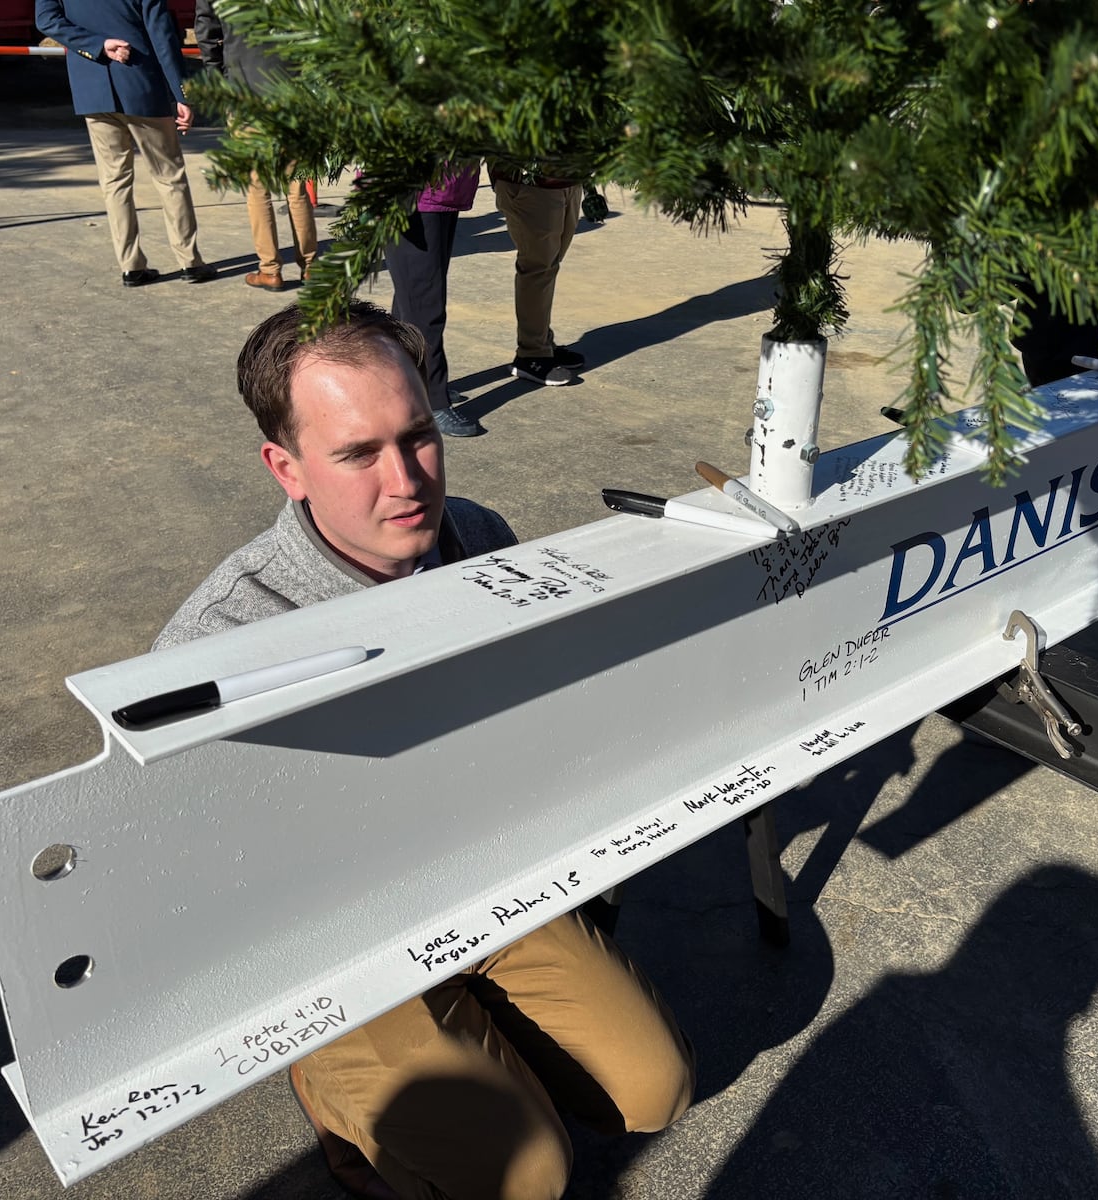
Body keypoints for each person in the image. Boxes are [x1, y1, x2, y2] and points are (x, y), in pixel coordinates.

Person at [155, 301, 695, 1199]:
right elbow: (197, 899)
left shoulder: (475, 537)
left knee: (653, 1087)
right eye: (358, 454)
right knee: (528, 1175)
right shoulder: (216, 647)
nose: (407, 481)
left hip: (473, 876)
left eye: (419, 436)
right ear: (285, 468)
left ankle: (489, 1051)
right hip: (321, 937)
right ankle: (333, 1094)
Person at [37, 0, 216, 287]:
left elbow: (46, 21)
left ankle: (131, 266)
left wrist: (97, 44)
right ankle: (189, 261)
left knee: (114, 180)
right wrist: (182, 94)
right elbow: (162, 34)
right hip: (142, 85)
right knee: (169, 176)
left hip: (92, 89)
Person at [194, 0, 320, 292]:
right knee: (297, 185)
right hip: (292, 87)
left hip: (245, 88)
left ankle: (270, 269)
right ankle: (311, 266)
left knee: (257, 185)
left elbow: (206, 31)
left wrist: (219, 78)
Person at [384, 163, 486, 437]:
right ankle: (431, 399)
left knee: (411, 300)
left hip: (442, 190)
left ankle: (404, 382)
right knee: (424, 305)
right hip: (413, 194)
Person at [487, 159, 588, 386]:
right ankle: (531, 354)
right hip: (529, 181)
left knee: (550, 264)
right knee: (538, 267)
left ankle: (542, 342)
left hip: (566, 177)